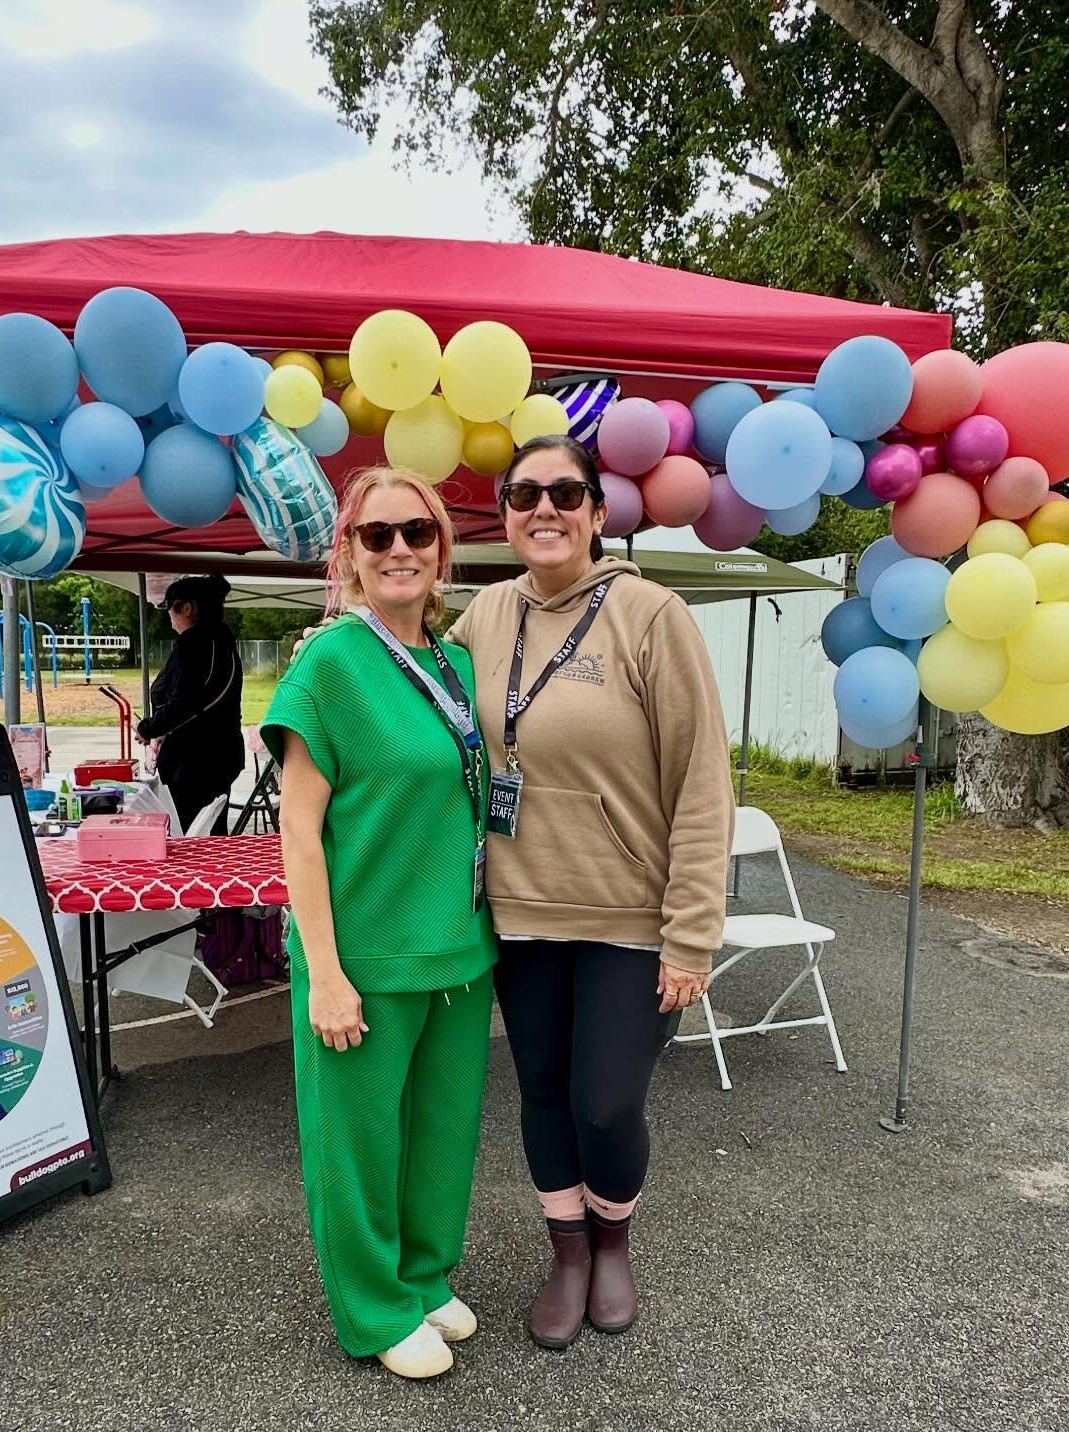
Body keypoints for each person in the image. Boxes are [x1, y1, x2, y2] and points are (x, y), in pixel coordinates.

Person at [444, 433, 734, 1350]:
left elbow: (701, 780)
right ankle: (567, 1253)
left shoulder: (651, 615)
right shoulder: (484, 616)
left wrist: (693, 933)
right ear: (504, 513)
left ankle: (614, 1242)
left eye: (565, 493)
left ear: (599, 513)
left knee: (606, 1100)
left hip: (630, 919)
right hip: (522, 914)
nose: (545, 510)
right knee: (540, 1087)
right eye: (524, 494)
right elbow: (410, 692)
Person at [261, 467, 497, 1380]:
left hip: (458, 947)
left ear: (442, 552)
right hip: (362, 952)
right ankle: (372, 1306)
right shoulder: (328, 665)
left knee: (441, 1131)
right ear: (349, 554)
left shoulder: (456, 663)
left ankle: (425, 1275)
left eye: (418, 533)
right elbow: (300, 832)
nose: (399, 548)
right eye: (377, 535)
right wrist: (322, 968)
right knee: (357, 1143)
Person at [135, 574, 244, 835]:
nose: (169, 616)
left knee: (192, 838)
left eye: (170, 608)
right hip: (219, 756)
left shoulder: (194, 643)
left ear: (187, 608)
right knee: (212, 833)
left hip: (194, 761)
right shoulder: (222, 640)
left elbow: (185, 703)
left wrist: (148, 728)